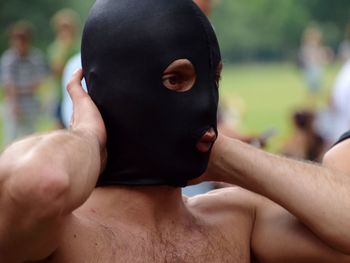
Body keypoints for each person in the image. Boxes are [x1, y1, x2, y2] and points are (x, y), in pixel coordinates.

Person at [1, 1, 350, 262]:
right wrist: (88, 135)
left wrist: (224, 153)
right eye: (175, 79)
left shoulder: (238, 220)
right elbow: (38, 182)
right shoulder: (56, 233)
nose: (203, 103)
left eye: (214, 80)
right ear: (104, 94)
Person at [0, 21, 47, 146]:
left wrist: (18, 89)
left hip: (31, 106)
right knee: (11, 142)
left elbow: (38, 84)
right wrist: (15, 102)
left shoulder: (36, 57)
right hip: (13, 107)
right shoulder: (8, 59)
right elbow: (8, 85)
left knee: (30, 142)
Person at [47, 9, 80, 128]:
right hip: (60, 95)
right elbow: (56, 70)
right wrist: (64, 49)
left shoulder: (78, 47)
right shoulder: (55, 48)